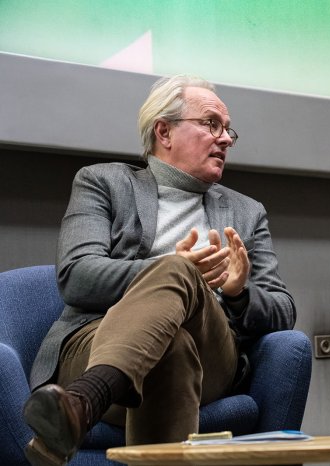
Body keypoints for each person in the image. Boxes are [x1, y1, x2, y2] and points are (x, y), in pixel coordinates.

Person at [22, 75, 296, 466]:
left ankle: (84, 402)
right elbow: (77, 276)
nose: (226, 139)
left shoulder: (246, 212)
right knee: (172, 341)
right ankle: (93, 390)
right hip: (96, 341)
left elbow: (283, 309)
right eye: (211, 124)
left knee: (179, 274)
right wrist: (170, 268)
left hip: (213, 355)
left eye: (228, 129)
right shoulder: (103, 182)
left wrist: (238, 294)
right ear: (164, 131)